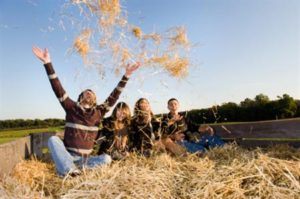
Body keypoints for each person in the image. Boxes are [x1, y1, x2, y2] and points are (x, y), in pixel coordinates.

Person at [32, 46, 140, 176]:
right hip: (68, 155)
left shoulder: (99, 112)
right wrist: (47, 63)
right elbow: (57, 87)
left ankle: (69, 170)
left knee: (106, 159)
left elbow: (114, 96)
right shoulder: (71, 107)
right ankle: (69, 169)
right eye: (86, 92)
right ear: (80, 97)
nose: (89, 93)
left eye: (92, 93)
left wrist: (126, 76)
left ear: (94, 100)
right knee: (53, 140)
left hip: (86, 160)